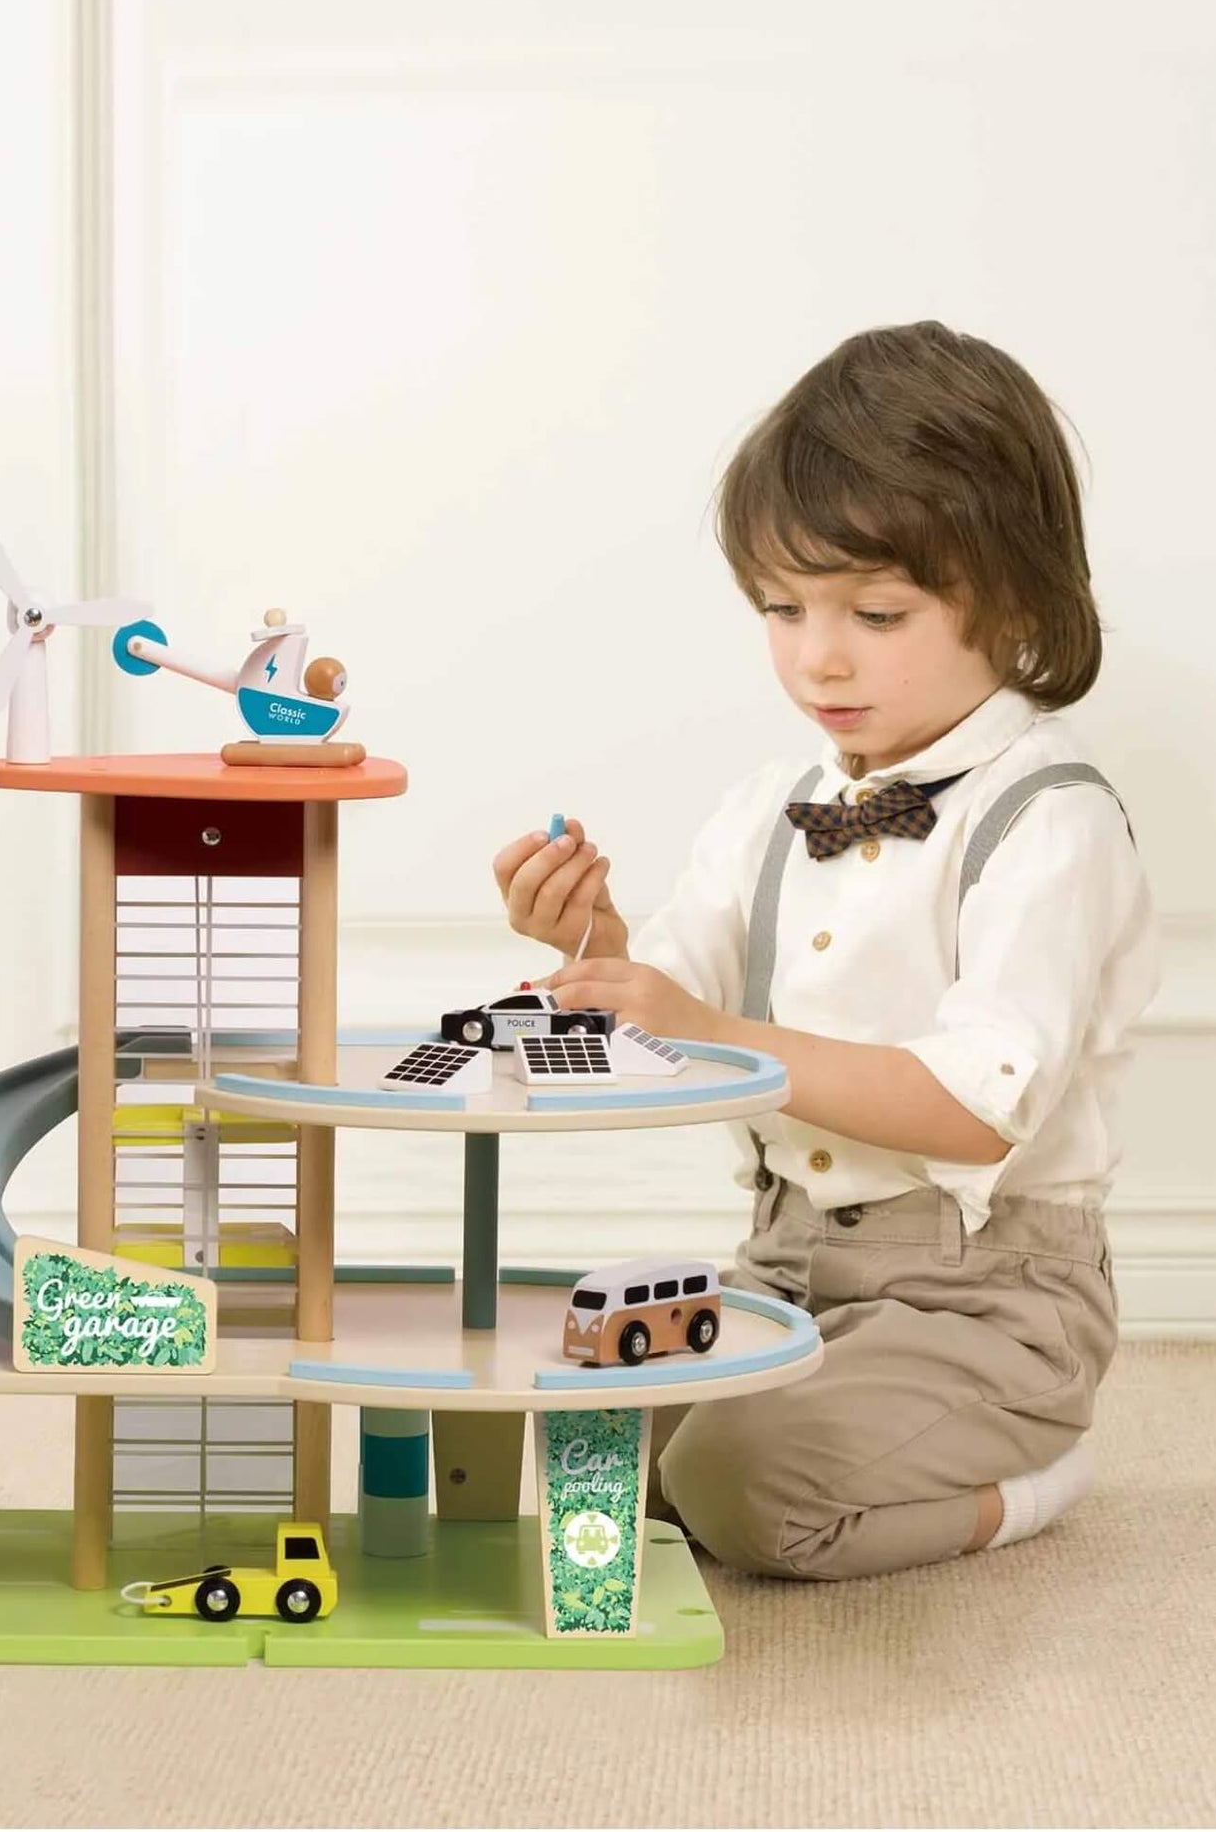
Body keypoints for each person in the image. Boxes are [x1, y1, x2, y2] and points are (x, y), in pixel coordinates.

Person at [493, 321, 1160, 1579]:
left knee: (740, 1488)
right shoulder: (766, 805)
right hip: (791, 1259)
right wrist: (593, 942)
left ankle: (1028, 1481)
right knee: (589, 1440)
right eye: (781, 608)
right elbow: (674, 1000)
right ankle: (802, 1422)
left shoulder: (1048, 818)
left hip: (988, 1294)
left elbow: (973, 1111)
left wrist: (710, 1030)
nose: (819, 655)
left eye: (874, 610)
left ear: (1012, 598)